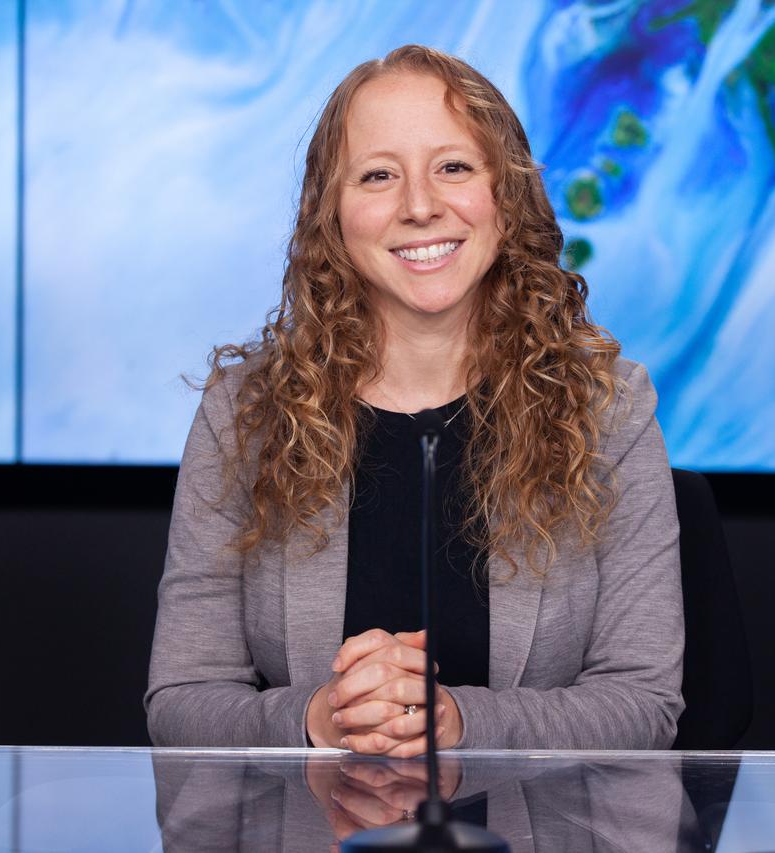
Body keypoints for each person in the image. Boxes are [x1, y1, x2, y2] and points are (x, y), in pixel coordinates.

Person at [145, 44, 684, 757]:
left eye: (454, 167)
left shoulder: (609, 407)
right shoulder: (244, 411)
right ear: (330, 214)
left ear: (508, 193)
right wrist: (318, 719)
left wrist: (461, 723)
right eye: (377, 176)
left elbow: (643, 701)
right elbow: (182, 699)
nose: (421, 206)